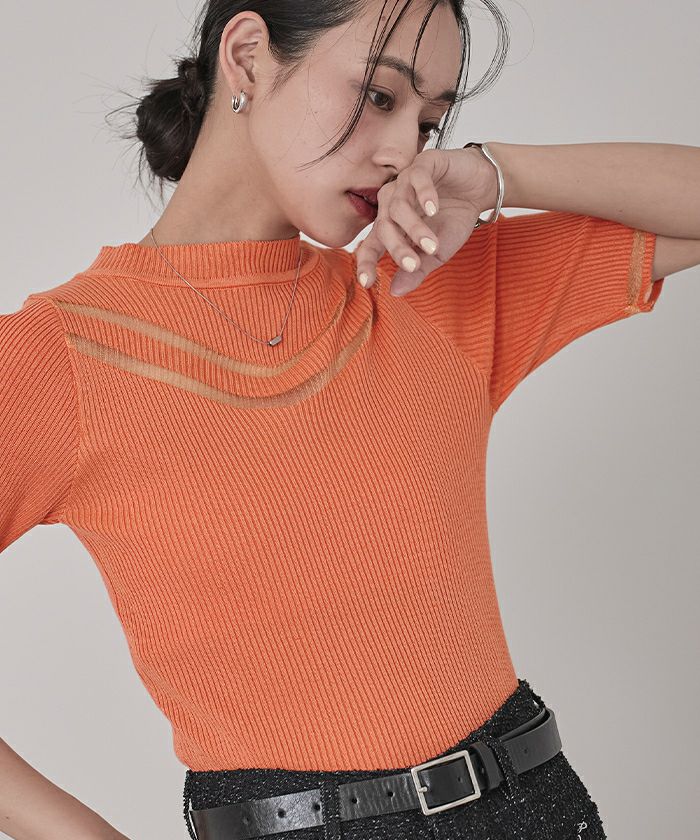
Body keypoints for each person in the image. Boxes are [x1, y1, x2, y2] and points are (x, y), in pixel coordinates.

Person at [5, 1, 698, 839]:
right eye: (379, 96)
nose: (406, 149)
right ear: (249, 56)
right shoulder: (60, 356)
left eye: (431, 122)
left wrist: (495, 175)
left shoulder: (421, 285)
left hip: (535, 807)